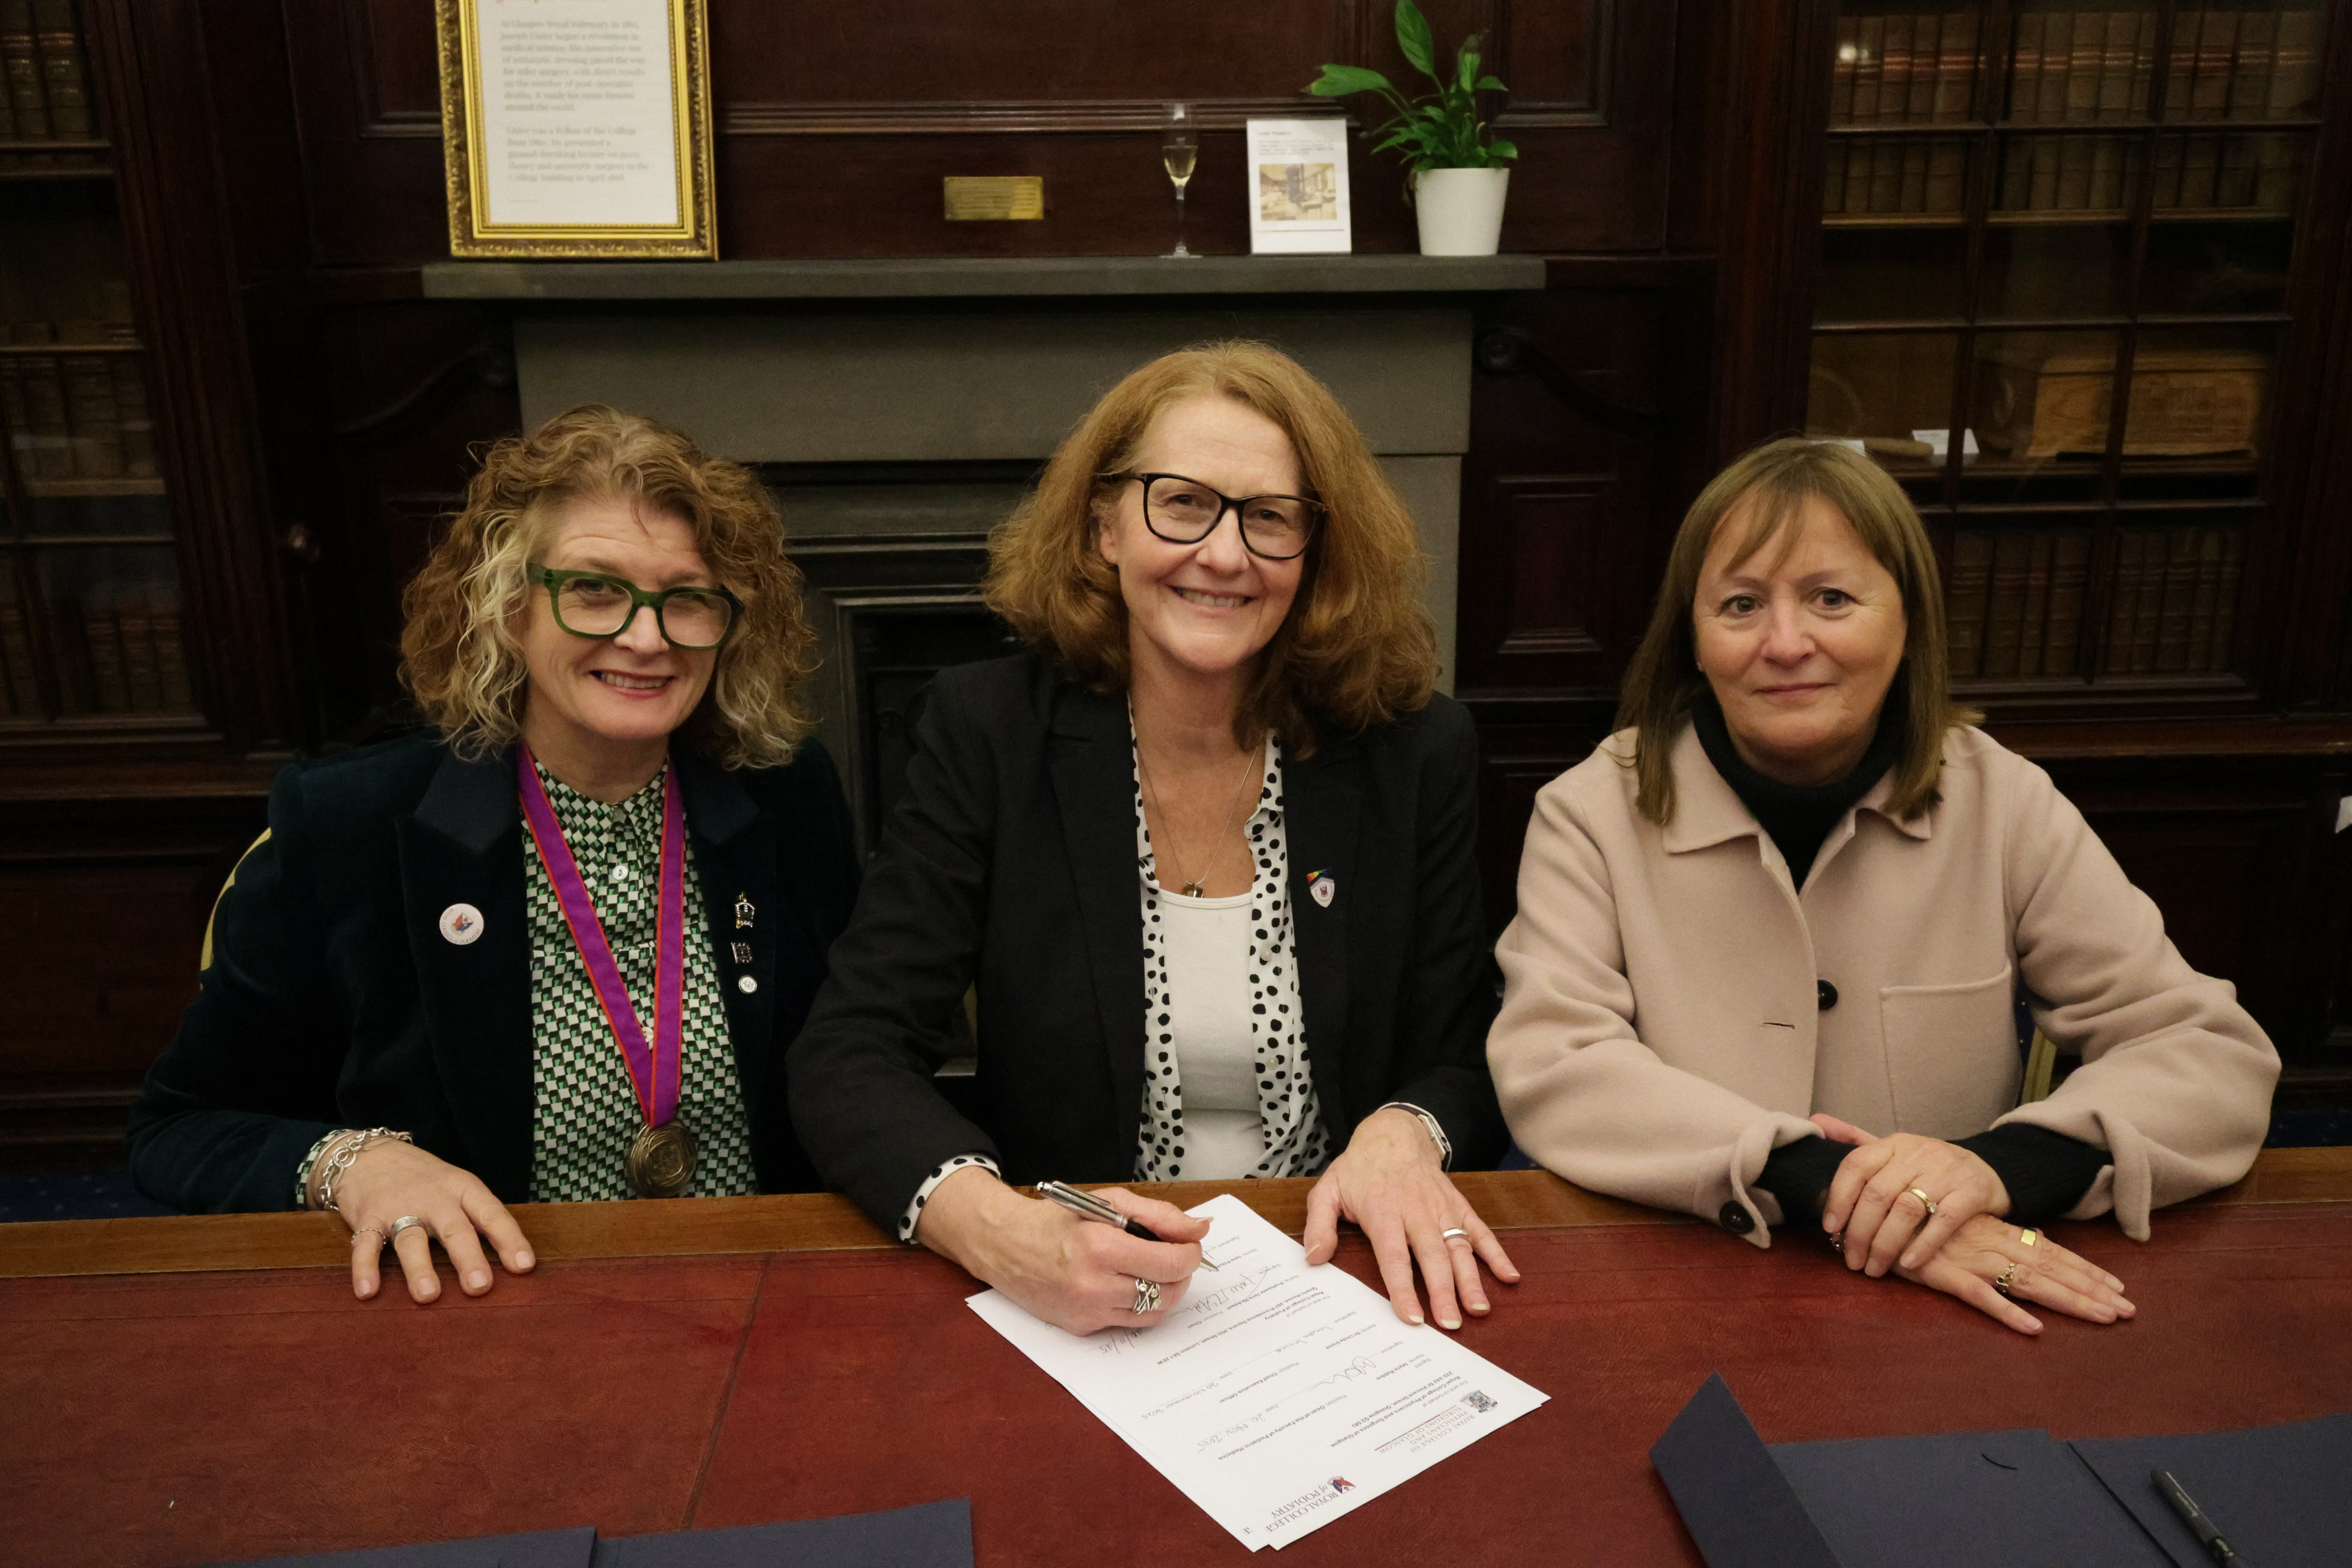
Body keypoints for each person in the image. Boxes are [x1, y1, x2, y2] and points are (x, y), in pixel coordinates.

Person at [788, 342, 1515, 1336]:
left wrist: (1407, 1129)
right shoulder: (988, 730)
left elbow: (1470, 1045)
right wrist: (1005, 1232)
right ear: (1105, 527)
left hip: (1339, 1277)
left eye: (1269, 517)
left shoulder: (1413, 747)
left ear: (1314, 551)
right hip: (1079, 1282)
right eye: (1181, 502)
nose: (1224, 553)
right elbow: (850, 1050)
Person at [1488, 437, 2279, 1334]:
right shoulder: (1590, 810)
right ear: (1693, 642)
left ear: (1909, 624)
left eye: (1831, 597)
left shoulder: (2005, 801)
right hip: (1675, 1287)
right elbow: (1557, 1066)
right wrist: (1821, 1180)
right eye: (1741, 604)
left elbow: (2208, 1052)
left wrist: (1997, 1167)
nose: (1786, 643)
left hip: (1945, 1303)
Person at [129, 405, 858, 1306]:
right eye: (594, 589)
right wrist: (355, 1162)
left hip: (760, 1294)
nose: (647, 635)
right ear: (509, 607)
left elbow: (854, 1058)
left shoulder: (786, 792)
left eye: (688, 597)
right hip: (489, 1310)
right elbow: (180, 1126)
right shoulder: (352, 823)